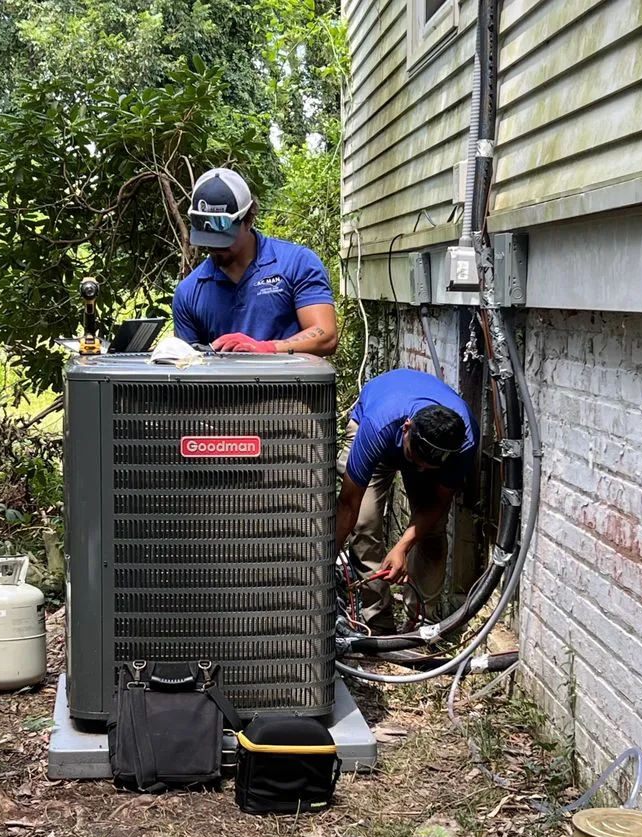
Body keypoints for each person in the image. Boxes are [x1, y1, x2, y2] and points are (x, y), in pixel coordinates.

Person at [336, 369, 480, 633]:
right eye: (415, 459)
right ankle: (378, 624)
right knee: (364, 524)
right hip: (379, 434)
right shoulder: (378, 426)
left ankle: (420, 628)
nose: (421, 470)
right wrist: (321, 567)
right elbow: (348, 504)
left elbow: (438, 503)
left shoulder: (463, 442)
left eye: (429, 466)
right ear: (407, 428)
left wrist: (402, 546)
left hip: (418, 444)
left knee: (432, 534)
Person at [172, 167, 337, 356]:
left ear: (248, 219)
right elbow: (188, 370)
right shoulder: (189, 292)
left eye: (225, 237)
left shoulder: (297, 263)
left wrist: (266, 348)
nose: (215, 246)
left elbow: (327, 336)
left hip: (289, 384)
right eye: (208, 238)